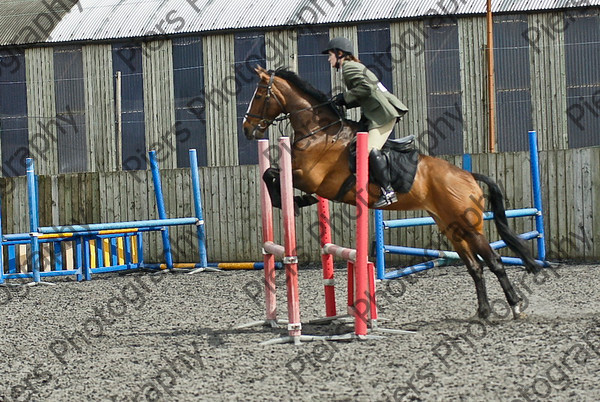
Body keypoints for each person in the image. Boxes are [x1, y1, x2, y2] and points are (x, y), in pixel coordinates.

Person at [322, 37, 408, 208]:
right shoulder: (352, 67)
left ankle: (388, 191)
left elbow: (367, 88)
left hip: (382, 115)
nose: (328, 59)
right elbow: (366, 92)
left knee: (367, 151)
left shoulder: (349, 67)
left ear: (340, 54)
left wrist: (345, 97)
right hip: (374, 114)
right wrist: (343, 101)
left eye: (330, 55)